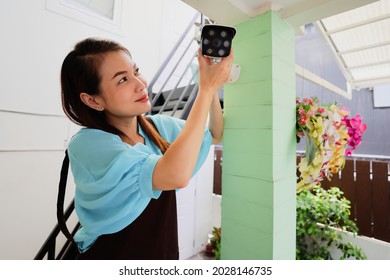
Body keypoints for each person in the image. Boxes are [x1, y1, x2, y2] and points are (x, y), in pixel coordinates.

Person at [60, 37, 233, 259]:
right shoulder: (88, 144)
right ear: (93, 101)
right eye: (122, 80)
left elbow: (214, 134)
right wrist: (206, 90)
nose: (140, 83)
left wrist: (210, 87)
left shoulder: (159, 126)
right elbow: (176, 174)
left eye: (136, 71)